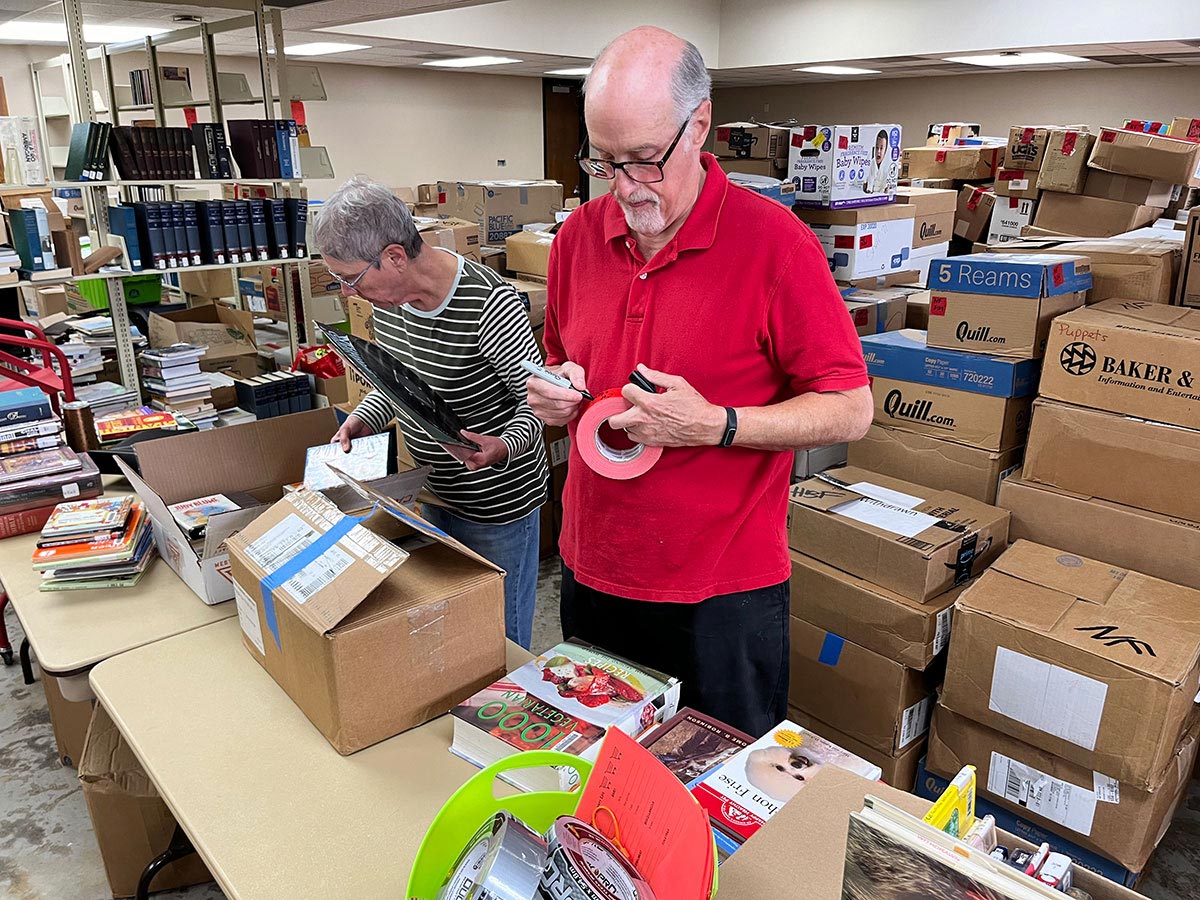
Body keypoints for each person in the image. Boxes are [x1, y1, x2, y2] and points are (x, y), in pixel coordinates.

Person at [525, 27, 872, 737]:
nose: (625, 187)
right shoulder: (575, 240)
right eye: (604, 161)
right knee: (601, 784)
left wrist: (717, 424)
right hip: (592, 573)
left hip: (722, 596)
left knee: (719, 801)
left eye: (646, 161)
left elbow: (850, 409)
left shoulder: (776, 245)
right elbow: (565, 358)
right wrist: (557, 394)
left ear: (701, 125)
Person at [316, 176, 547, 649]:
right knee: (455, 635)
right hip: (432, 494)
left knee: (500, 641)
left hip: (496, 506)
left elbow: (538, 404)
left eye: (352, 279)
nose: (348, 293)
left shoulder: (489, 304)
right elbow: (399, 387)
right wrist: (363, 418)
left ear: (395, 257)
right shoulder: (391, 301)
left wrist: (502, 445)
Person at [864, 128, 892, 194]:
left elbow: (885, 187)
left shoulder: (888, 166)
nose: (878, 151)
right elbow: (868, 181)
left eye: (881, 148)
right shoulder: (871, 163)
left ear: (885, 150)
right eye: (877, 148)